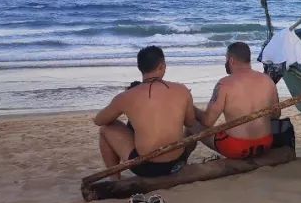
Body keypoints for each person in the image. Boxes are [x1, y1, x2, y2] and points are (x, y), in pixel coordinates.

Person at [94, 45, 196, 178]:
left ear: (139, 68)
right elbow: (190, 122)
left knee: (105, 129)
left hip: (147, 167)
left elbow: (100, 120)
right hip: (178, 161)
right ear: (162, 66)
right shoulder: (182, 90)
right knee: (189, 129)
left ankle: (115, 179)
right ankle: (179, 163)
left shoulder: (127, 96)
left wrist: (127, 107)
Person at [190, 42, 278, 159]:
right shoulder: (268, 80)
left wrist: (191, 107)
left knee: (191, 126)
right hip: (265, 143)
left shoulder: (224, 84)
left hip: (236, 147)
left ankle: (179, 164)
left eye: (226, 59)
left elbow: (207, 121)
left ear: (231, 60)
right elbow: (276, 114)